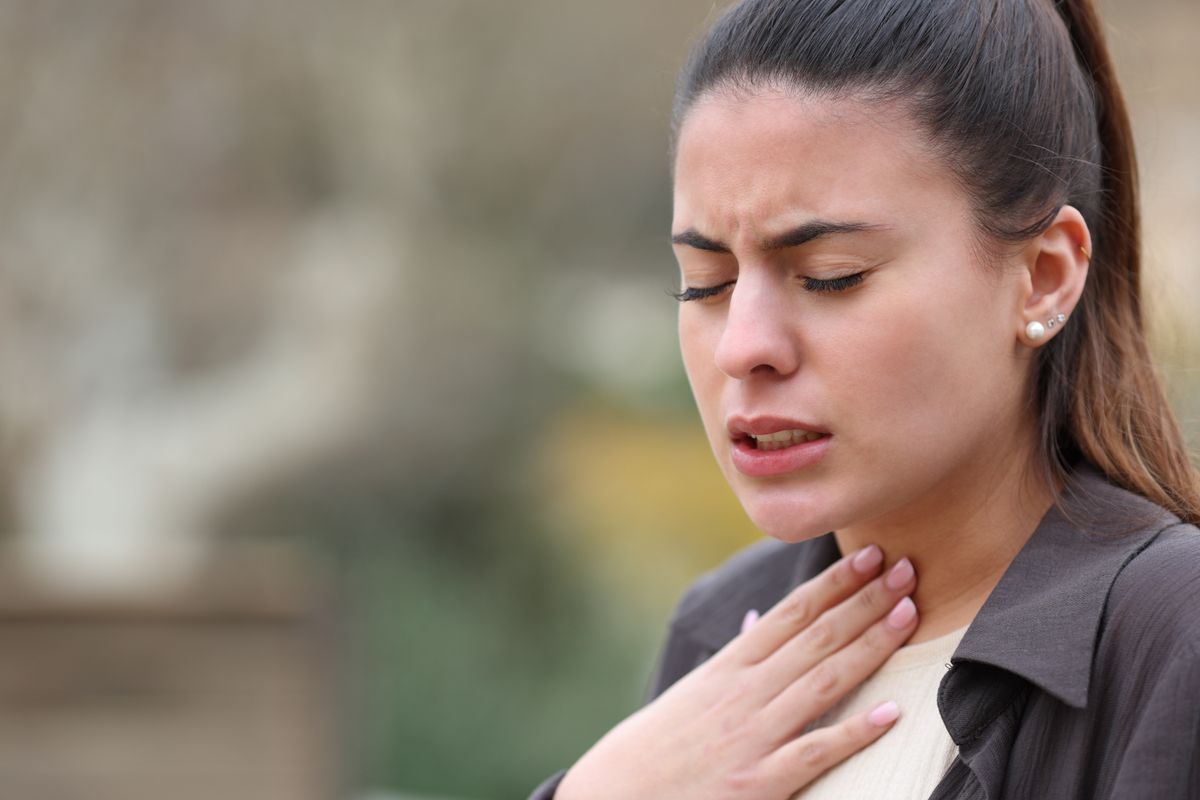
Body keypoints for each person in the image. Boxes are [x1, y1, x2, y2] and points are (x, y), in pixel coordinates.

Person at [530, 0, 1200, 797]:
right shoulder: (725, 628)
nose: (743, 346)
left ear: (1043, 276)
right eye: (706, 284)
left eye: (830, 275)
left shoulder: (1171, 640)